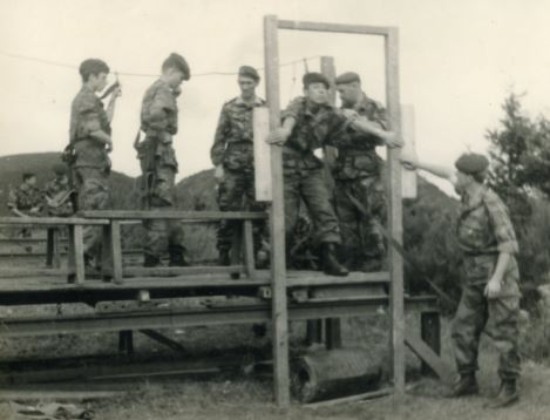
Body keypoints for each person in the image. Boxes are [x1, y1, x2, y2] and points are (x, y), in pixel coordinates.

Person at [401, 152, 521, 409]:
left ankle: (509, 386)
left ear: (469, 177)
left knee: (504, 330)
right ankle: (467, 380)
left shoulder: (491, 202)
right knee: (463, 327)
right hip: (475, 273)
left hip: (498, 272)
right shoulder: (468, 193)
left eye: (460, 174)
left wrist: (497, 280)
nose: (456, 177)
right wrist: (418, 163)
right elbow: (445, 171)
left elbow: (508, 245)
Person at [267, 72, 398, 276]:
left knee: (326, 213)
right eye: (315, 88)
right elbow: (291, 116)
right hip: (287, 165)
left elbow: (353, 123)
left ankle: (330, 259)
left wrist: (383, 134)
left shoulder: (332, 112)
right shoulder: (298, 104)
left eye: (324, 88)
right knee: (287, 220)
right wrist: (285, 130)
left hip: (312, 167)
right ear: (306, 91)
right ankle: (279, 262)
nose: (321, 91)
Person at [332, 72, 402, 272]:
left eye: (343, 91)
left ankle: (373, 260)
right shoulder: (340, 110)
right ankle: (350, 259)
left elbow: (383, 133)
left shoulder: (374, 107)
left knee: (371, 217)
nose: (340, 96)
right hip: (343, 172)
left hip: (366, 172)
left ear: (355, 86)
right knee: (345, 220)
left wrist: (357, 123)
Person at [135, 53, 190, 267]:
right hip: (160, 153)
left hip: (155, 153)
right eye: (180, 77)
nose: (180, 82)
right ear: (171, 71)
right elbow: (156, 115)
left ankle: (170, 254)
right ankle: (154, 258)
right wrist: (162, 134)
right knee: (161, 203)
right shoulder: (163, 90)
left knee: (162, 202)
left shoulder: (157, 89)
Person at [211, 65, 267, 267]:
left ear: (256, 83)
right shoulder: (229, 107)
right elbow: (219, 138)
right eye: (241, 83)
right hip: (233, 165)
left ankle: (253, 255)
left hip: (259, 166)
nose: (244, 87)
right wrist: (218, 165)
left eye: (249, 83)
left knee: (258, 210)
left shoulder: (265, 107)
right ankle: (224, 253)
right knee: (228, 209)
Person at [66, 58, 120, 269]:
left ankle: (86, 264)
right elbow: (94, 131)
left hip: (88, 161)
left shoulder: (90, 100)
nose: (105, 81)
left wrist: (113, 99)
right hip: (90, 162)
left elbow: (103, 122)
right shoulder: (87, 98)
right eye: (103, 77)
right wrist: (110, 141)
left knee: (92, 209)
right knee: (94, 211)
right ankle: (83, 265)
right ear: (92, 77)